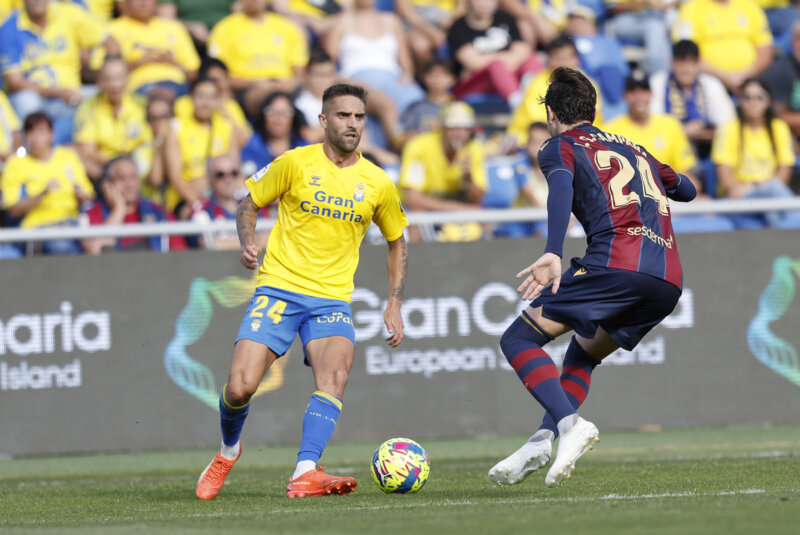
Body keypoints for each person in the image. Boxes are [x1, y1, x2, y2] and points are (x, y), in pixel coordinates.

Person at [194, 83, 409, 500]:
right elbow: (248, 202)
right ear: (324, 120)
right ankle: (227, 451)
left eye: (359, 117)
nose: (353, 124)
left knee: (335, 375)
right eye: (343, 116)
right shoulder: (294, 163)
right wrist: (247, 243)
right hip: (279, 288)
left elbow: (398, 239)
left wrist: (394, 302)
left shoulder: (378, 183)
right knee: (239, 387)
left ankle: (305, 471)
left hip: (331, 298)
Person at [487, 67, 696, 488]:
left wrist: (551, 250)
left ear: (551, 112)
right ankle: (542, 440)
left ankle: (568, 424)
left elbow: (560, 190)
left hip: (616, 264)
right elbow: (687, 189)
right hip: (667, 279)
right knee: (582, 355)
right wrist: (658, 173)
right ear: (593, 110)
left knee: (518, 339)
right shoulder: (638, 149)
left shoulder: (558, 146)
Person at [0, 0, 120, 145]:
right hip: (37, 96)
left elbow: (111, 44)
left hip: (74, 93)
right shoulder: (9, 27)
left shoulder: (69, 13)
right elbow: (15, 81)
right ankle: (33, 154)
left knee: (108, 93)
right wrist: (59, 92)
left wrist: (100, 77)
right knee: (27, 102)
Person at [1, 112, 94, 255]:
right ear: (25, 137)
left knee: (99, 243)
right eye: (32, 133)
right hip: (37, 228)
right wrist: (43, 194)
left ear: (52, 135)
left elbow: (87, 195)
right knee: (61, 246)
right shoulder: (15, 164)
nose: (37, 139)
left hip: (72, 223)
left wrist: (82, 197)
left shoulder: (67, 156)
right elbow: (13, 210)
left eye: (42, 132)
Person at [711, 78, 799, 226]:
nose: (753, 102)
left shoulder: (779, 128)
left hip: (770, 194)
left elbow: (783, 177)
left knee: (772, 205)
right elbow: (728, 183)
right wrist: (761, 187)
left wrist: (758, 186)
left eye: (759, 97)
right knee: (775, 198)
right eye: (747, 97)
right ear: (740, 101)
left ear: (768, 101)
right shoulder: (728, 130)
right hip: (739, 200)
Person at [397, 101, 486, 240]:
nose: (460, 133)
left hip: (453, 205)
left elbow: (477, 201)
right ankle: (411, 259)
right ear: (442, 129)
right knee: (416, 220)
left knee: (484, 221)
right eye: (453, 128)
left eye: (465, 129)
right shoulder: (419, 147)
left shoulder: (473, 149)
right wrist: (456, 208)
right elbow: (413, 200)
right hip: (417, 207)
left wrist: (469, 179)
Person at [207, 0, 308, 119]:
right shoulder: (225, 28)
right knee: (269, 97)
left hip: (284, 85)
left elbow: (299, 72)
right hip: (246, 89)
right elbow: (217, 75)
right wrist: (256, 83)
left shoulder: (287, 27)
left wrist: (289, 83)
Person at [324, 0, 425, 116]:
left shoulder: (392, 21)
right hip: (356, 79)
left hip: (393, 79)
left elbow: (406, 63)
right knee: (385, 105)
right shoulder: (340, 23)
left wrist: (407, 76)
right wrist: (346, 81)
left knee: (416, 100)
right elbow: (328, 65)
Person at [606, 74, 701, 191]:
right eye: (633, 92)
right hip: (631, 195)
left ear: (651, 94)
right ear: (624, 96)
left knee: (697, 192)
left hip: (668, 192)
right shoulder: (610, 130)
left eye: (643, 91)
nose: (639, 97)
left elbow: (683, 169)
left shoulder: (670, 125)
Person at [162, 76, 238, 217]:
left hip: (220, 198)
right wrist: (198, 204)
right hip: (186, 199)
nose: (206, 102)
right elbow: (175, 177)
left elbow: (234, 170)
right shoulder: (177, 128)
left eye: (211, 97)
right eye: (201, 96)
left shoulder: (227, 128)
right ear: (191, 98)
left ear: (218, 100)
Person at [80, 156, 187, 254]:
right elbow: (95, 251)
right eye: (121, 178)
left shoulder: (160, 213)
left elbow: (180, 255)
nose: (129, 184)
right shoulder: (92, 212)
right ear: (107, 185)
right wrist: (118, 209)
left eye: (133, 177)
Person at [446, 0, 540, 106]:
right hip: (475, 83)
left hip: (507, 75)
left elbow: (523, 50)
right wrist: (504, 62)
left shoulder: (506, 19)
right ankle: (518, 105)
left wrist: (501, 64)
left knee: (532, 59)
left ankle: (532, 96)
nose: (484, 3)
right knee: (496, 66)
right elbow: (473, 62)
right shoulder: (458, 27)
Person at [73, 57, 152, 181]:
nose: (114, 84)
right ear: (100, 82)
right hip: (105, 168)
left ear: (127, 78)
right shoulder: (88, 108)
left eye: (119, 78)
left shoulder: (141, 105)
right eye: (108, 79)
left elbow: (148, 143)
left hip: (137, 167)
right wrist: (119, 167)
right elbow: (88, 151)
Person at [672, 0, 773, 92]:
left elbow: (765, 51)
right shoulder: (693, 8)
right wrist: (725, 77)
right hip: (707, 78)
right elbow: (686, 52)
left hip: (749, 79)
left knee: (758, 92)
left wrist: (744, 76)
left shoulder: (749, 6)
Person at [190, 154, 270, 251]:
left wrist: (228, 243)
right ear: (209, 178)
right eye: (220, 175)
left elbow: (270, 238)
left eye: (234, 173)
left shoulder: (255, 204)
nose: (228, 179)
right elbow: (207, 244)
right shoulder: (202, 211)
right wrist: (255, 241)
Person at [241, 91, 310, 175]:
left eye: (286, 112)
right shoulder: (251, 145)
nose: (278, 118)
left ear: (294, 117)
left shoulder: (305, 150)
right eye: (271, 111)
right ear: (263, 116)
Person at [399, 57, 457, 146]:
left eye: (442, 75)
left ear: (452, 79)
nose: (437, 80)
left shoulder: (459, 107)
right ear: (424, 78)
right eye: (432, 75)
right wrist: (427, 128)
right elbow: (400, 143)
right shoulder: (416, 108)